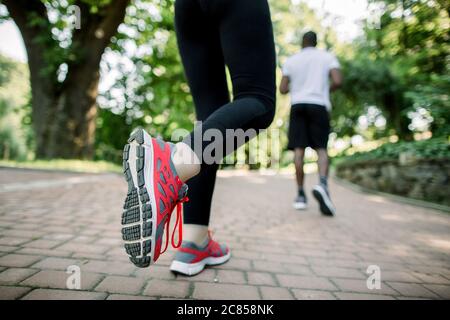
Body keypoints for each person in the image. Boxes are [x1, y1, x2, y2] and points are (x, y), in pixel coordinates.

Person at [121, 0, 276, 276]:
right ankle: (171, 165)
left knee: (209, 117)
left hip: (187, 7)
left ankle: (195, 239)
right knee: (258, 100)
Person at [279, 31, 342, 216]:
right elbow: (338, 80)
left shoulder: (292, 60)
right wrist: (324, 89)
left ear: (302, 42)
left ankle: (300, 195)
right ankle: (322, 185)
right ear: (316, 41)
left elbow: (282, 89)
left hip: (298, 105)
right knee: (321, 149)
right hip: (318, 104)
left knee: (299, 151)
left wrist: (297, 86)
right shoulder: (327, 57)